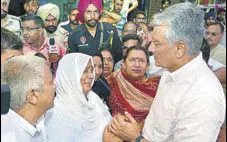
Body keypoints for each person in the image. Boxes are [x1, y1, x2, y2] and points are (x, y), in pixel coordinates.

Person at [107, 2, 226, 142]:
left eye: (157, 44)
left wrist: (135, 138)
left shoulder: (203, 95)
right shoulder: (170, 71)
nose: (151, 49)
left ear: (179, 49)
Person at [45, 53, 112, 142]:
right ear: (70, 75)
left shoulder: (94, 99)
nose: (91, 76)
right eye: (84, 71)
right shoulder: (58, 112)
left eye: (91, 70)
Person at [104, 46, 160, 141]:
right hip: (114, 134)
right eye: (132, 60)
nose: (137, 65)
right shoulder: (113, 79)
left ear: (147, 65)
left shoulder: (156, 88)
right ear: (123, 63)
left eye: (142, 61)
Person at [1, 55, 55, 142]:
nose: (55, 86)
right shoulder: (10, 137)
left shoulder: (38, 121)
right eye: (50, 83)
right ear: (33, 96)